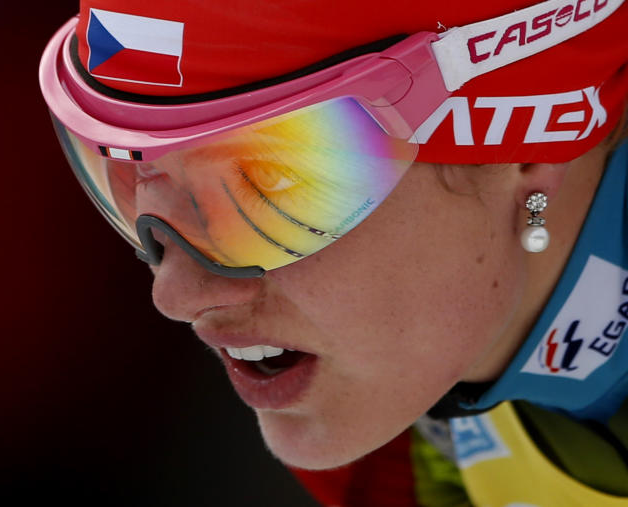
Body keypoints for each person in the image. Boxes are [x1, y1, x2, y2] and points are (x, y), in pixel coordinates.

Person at [39, 1, 628, 505]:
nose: (175, 295)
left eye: (273, 184)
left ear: (529, 145)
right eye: (125, 174)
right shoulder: (388, 432)